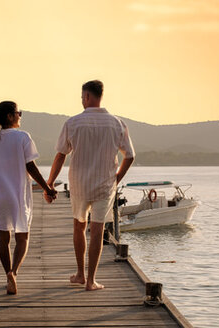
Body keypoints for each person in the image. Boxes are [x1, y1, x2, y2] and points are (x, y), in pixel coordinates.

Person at [46, 80, 134, 291]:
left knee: (79, 226)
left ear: (87, 96)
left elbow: (60, 156)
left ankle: (80, 274)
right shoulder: (117, 123)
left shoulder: (73, 123)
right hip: (105, 185)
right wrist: (117, 178)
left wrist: (49, 184)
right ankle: (91, 281)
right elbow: (130, 156)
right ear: (100, 96)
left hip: (79, 183)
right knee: (97, 231)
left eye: (82, 97)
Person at [0, 101, 58, 295]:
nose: (20, 116)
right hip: (18, 196)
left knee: (3, 238)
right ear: (9, 116)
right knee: (22, 237)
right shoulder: (23, 137)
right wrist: (47, 188)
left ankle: (7, 273)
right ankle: (13, 273)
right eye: (18, 112)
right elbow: (30, 166)